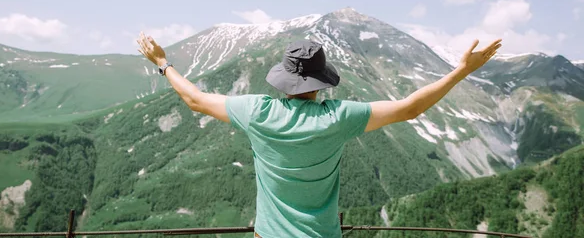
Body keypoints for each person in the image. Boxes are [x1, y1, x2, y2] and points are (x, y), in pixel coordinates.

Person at [137, 32, 502, 238]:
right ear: (320, 82)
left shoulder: (257, 111)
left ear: (284, 77)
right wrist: (461, 71)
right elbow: (410, 108)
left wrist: (162, 62)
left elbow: (195, 100)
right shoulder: (339, 117)